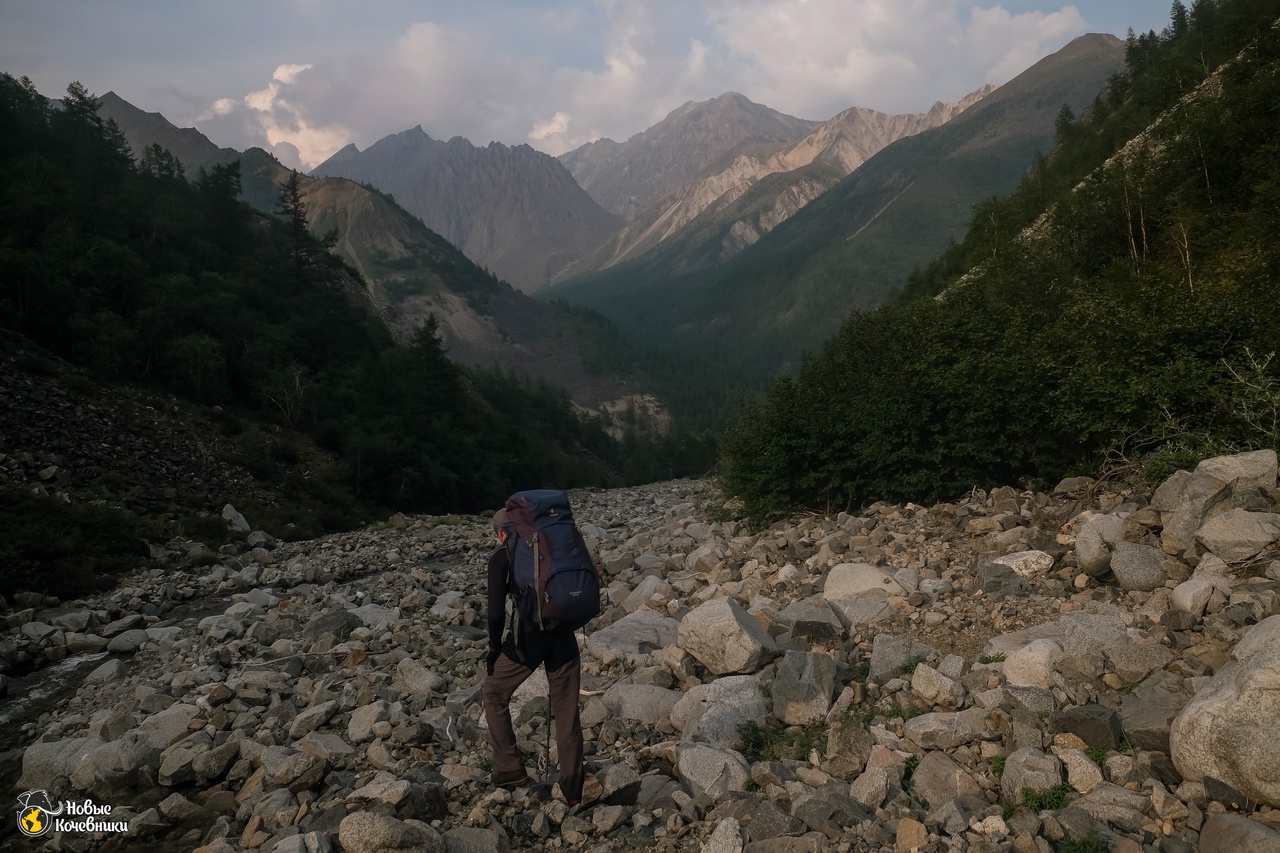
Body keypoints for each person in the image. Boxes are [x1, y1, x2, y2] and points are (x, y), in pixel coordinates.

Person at [481, 508, 585, 804]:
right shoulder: (552, 548)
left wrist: (493, 648)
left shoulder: (502, 557)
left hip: (528, 637)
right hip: (563, 630)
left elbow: (494, 612)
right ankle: (573, 791)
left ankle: (509, 767)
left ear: (501, 533)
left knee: (493, 693)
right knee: (566, 711)